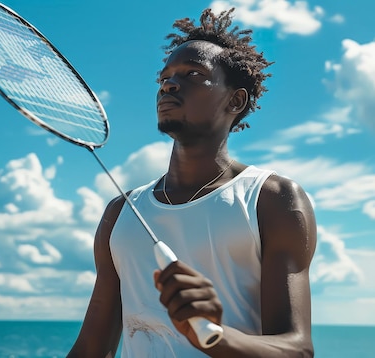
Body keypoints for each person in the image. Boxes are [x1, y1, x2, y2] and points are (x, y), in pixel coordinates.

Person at [67, 8, 317, 358]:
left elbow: (297, 351)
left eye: (193, 74)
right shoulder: (121, 212)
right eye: (165, 77)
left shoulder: (273, 199)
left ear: (235, 100)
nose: (169, 84)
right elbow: (92, 349)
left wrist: (213, 336)